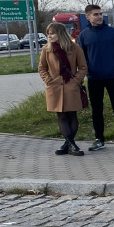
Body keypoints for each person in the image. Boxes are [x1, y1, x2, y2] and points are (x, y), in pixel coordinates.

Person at [79, 4, 114, 151]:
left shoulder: (112, 32)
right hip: (94, 78)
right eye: (96, 14)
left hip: (112, 76)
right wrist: (88, 68)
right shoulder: (84, 35)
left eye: (100, 14)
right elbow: (81, 56)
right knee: (96, 110)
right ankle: (99, 139)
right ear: (87, 16)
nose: (99, 16)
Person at [38, 22, 88, 156]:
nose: (49, 36)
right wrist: (48, 80)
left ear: (60, 33)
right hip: (54, 87)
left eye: (52, 33)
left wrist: (76, 81)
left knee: (72, 114)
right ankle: (71, 145)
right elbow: (42, 68)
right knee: (61, 115)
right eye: (48, 33)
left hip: (71, 86)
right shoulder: (46, 50)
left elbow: (83, 67)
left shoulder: (75, 48)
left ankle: (68, 144)